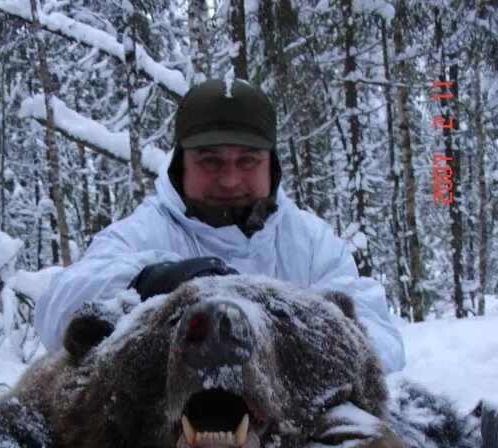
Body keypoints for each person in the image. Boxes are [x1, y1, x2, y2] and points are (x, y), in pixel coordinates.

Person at [36, 79, 405, 373]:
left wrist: (285, 330)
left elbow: (382, 349)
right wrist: (152, 281)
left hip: (293, 439)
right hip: (168, 438)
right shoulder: (144, 232)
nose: (229, 180)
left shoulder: (310, 244)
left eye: (247, 160)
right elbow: (56, 314)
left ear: (270, 164)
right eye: (210, 161)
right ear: (181, 164)